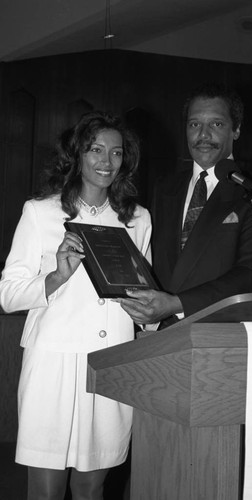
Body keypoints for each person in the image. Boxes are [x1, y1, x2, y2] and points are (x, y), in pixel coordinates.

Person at [0, 111, 152, 499]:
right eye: (96, 150)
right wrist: (55, 276)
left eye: (116, 153)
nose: (106, 161)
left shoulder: (137, 220)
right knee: (46, 488)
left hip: (111, 362)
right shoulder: (41, 212)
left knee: (92, 486)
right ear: (77, 155)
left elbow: (146, 296)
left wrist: (150, 315)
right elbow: (8, 294)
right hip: (53, 363)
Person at [117, 82, 252, 328]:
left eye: (216, 124)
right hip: (155, 336)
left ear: (235, 130)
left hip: (218, 333)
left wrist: (177, 303)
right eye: (194, 124)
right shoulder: (165, 188)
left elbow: (251, 277)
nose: (203, 135)